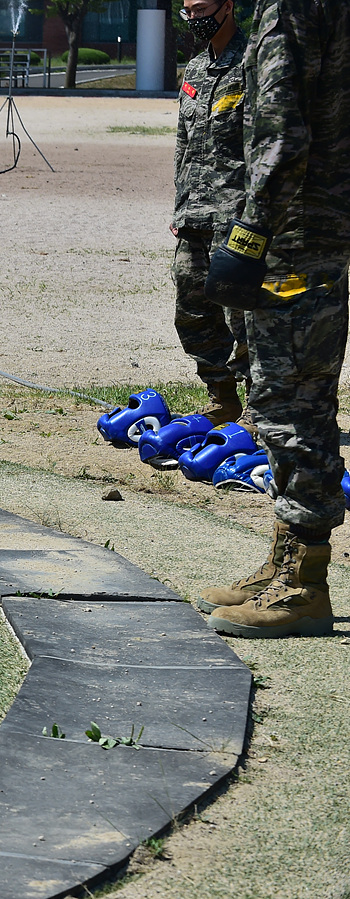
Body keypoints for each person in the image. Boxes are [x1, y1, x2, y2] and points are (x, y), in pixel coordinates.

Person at [201, 0, 350, 638]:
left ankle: (304, 588)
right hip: (312, 223)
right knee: (286, 393)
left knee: (291, 399)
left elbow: (282, 134)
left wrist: (248, 234)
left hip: (295, 231)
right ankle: (289, 557)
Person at [171, 0, 250, 427]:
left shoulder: (253, 64)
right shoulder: (195, 69)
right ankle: (221, 394)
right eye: (188, 11)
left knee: (244, 316)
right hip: (194, 215)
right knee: (191, 308)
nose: (195, 19)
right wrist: (179, 203)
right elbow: (184, 144)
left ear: (228, 6)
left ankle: (259, 405)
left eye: (201, 9)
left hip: (237, 215)